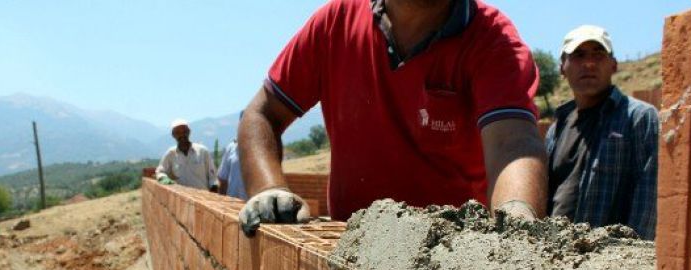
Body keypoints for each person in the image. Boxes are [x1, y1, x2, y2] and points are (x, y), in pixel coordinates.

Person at [236, 0, 548, 235]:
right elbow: (261, 114)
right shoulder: (336, 23)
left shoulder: (492, 41)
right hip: (348, 253)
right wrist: (269, 191)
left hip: (448, 267)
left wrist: (514, 222)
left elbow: (513, 145)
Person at [545, 25, 658, 239]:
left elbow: (648, 201)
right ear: (562, 68)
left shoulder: (639, 118)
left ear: (613, 65)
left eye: (598, 54)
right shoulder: (556, 129)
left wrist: (631, 261)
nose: (589, 63)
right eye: (578, 55)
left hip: (608, 265)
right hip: (555, 259)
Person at [155, 119, 218, 192]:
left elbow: (213, 178)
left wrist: (213, 196)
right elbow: (160, 171)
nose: (182, 135)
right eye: (178, 132)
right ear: (173, 135)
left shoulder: (203, 151)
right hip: (181, 199)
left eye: (184, 132)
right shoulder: (170, 154)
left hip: (202, 198)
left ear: (189, 132)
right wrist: (163, 178)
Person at [217, 112, 249, 200]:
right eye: (243, 122)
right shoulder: (231, 148)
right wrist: (221, 203)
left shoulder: (263, 149)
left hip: (254, 207)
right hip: (232, 205)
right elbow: (223, 180)